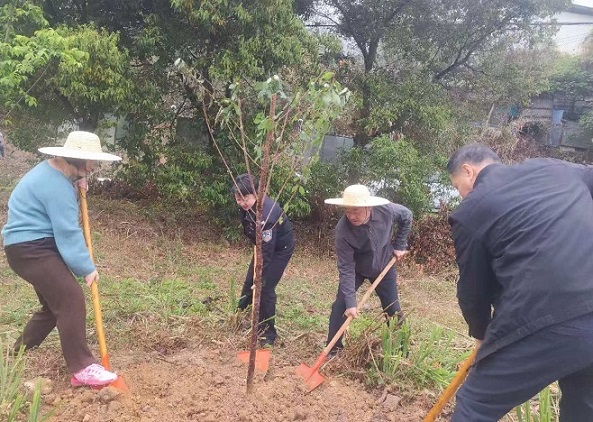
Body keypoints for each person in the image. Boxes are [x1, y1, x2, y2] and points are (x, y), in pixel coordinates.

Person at [447, 143, 593, 421]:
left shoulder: (472, 209)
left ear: (468, 171)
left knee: (476, 403)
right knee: (583, 406)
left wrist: (481, 334)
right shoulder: (555, 168)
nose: (460, 194)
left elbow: (473, 289)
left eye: (457, 187)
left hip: (544, 313)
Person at [2, 131, 122, 387]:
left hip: (26, 246)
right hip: (32, 249)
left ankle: (19, 351)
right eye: (91, 162)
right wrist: (86, 268)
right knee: (70, 298)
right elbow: (68, 233)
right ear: (76, 159)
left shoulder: (52, 174)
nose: (93, 167)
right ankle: (83, 368)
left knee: (53, 305)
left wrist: (76, 183)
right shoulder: (57, 187)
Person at [324, 184, 412, 354]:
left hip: (384, 264)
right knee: (340, 306)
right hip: (357, 269)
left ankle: (402, 351)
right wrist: (351, 303)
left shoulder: (387, 211)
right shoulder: (343, 231)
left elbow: (407, 216)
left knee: (392, 308)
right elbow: (346, 267)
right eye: (347, 211)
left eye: (356, 211)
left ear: (368, 207)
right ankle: (333, 350)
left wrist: (400, 245)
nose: (351, 216)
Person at [232, 174, 295, 347]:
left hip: (279, 249)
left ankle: (268, 333)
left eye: (246, 198)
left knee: (265, 287)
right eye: (238, 199)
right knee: (249, 281)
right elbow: (250, 231)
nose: (242, 203)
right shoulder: (246, 207)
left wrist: (261, 277)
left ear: (256, 194)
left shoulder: (268, 215)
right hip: (262, 246)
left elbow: (267, 252)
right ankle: (240, 313)